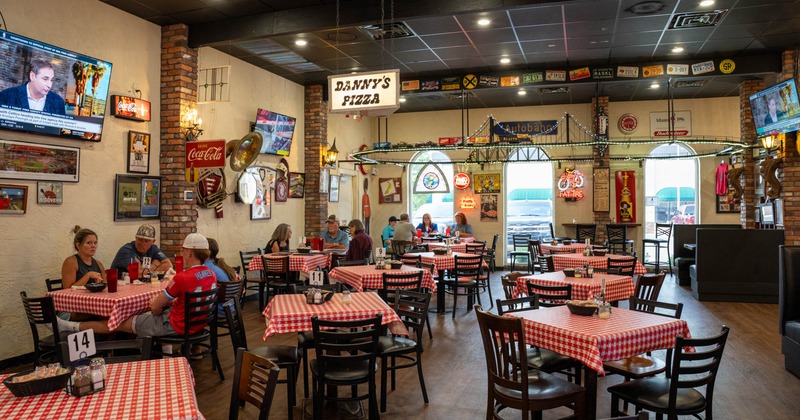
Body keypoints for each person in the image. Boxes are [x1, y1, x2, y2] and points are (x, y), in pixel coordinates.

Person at [57, 233, 218, 339]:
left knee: (116, 321)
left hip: (174, 326)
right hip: (196, 324)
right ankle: (163, 354)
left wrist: (157, 305)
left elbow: (155, 307)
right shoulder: (211, 274)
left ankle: (70, 327)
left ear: (189, 253)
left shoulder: (182, 277)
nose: (182, 254)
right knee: (124, 316)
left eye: (183, 251)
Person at [0, 58, 66, 115]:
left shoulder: (58, 102)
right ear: (32, 76)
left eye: (51, 80)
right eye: (45, 79)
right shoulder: (7, 96)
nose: (49, 85)